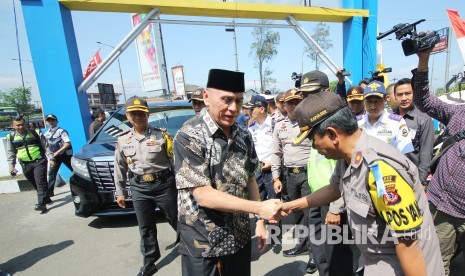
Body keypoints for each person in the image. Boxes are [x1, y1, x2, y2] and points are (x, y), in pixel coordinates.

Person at [279, 91, 444, 275]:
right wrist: (292, 205)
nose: (314, 147)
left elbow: (409, 245)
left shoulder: (381, 172)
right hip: (374, 261)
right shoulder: (349, 154)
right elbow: (335, 188)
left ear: (332, 134)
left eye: (313, 140)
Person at [173, 69, 280, 276]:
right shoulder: (189, 136)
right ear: (206, 97)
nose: (233, 108)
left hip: (238, 238)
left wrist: (259, 222)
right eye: (226, 100)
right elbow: (203, 195)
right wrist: (259, 207)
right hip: (203, 242)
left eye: (239, 101)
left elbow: (250, 178)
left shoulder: (243, 135)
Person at [114, 96, 177, 276]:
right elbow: (119, 167)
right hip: (139, 186)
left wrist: (183, 186)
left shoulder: (162, 135)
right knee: (145, 226)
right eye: (133, 114)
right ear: (127, 115)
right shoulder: (122, 140)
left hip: (164, 184)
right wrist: (120, 192)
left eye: (141, 113)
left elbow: (174, 161)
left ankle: (188, 244)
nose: (138, 117)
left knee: (176, 217)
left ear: (147, 114)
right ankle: (149, 261)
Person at [415, 48, 465, 275]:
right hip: (443, 207)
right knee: (436, 263)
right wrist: (423, 60)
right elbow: (424, 100)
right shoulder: (459, 114)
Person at [270, 88, 317, 273]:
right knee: (296, 214)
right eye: (290, 102)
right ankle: (303, 245)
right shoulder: (279, 125)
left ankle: (315, 254)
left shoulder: (310, 122)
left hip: (308, 175)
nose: (294, 105)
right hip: (289, 176)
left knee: (310, 215)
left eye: (297, 101)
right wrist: (275, 177)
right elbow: (276, 153)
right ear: (284, 105)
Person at [392, 78, 434, 188]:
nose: (404, 98)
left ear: (413, 94)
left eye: (408, 93)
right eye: (400, 94)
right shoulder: (388, 118)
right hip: (390, 176)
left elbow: (426, 153)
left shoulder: (423, 120)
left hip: (411, 178)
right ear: (395, 96)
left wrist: (422, 181)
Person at [6, 116, 51, 213]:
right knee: (34, 182)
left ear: (26, 124)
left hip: (39, 161)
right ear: (13, 126)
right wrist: (11, 166)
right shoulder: (11, 136)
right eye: (18, 125)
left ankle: (41, 204)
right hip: (25, 164)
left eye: (22, 124)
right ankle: (46, 197)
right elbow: (10, 153)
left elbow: (46, 146)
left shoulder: (35, 133)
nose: (21, 127)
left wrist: (51, 158)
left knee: (40, 182)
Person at [357, 80, 414, 154]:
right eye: (369, 101)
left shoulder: (396, 123)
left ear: (385, 99)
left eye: (377, 101)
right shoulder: (357, 123)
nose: (373, 106)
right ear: (364, 101)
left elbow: (405, 153)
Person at [248, 95, 276, 201]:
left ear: (261, 109)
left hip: (272, 169)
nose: (250, 112)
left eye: (252, 109)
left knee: (273, 200)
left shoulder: (274, 124)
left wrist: (272, 162)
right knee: (258, 200)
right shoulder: (250, 127)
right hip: (257, 169)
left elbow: (281, 148)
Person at [43, 114, 73, 198]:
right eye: (49, 120)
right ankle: (49, 192)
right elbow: (46, 146)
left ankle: (83, 185)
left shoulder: (61, 131)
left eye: (52, 120)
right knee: (52, 173)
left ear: (56, 121)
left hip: (65, 155)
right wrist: (51, 156)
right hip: (55, 157)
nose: (51, 122)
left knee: (75, 170)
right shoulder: (47, 133)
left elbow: (67, 143)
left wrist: (57, 152)